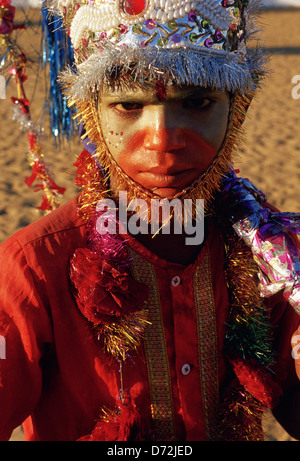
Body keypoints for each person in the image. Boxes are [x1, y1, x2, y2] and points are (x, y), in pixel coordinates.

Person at [0, 0, 299, 442]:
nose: (163, 141)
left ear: (237, 107)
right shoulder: (33, 266)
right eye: (127, 105)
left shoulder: (276, 257)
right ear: (92, 115)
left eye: (197, 102)